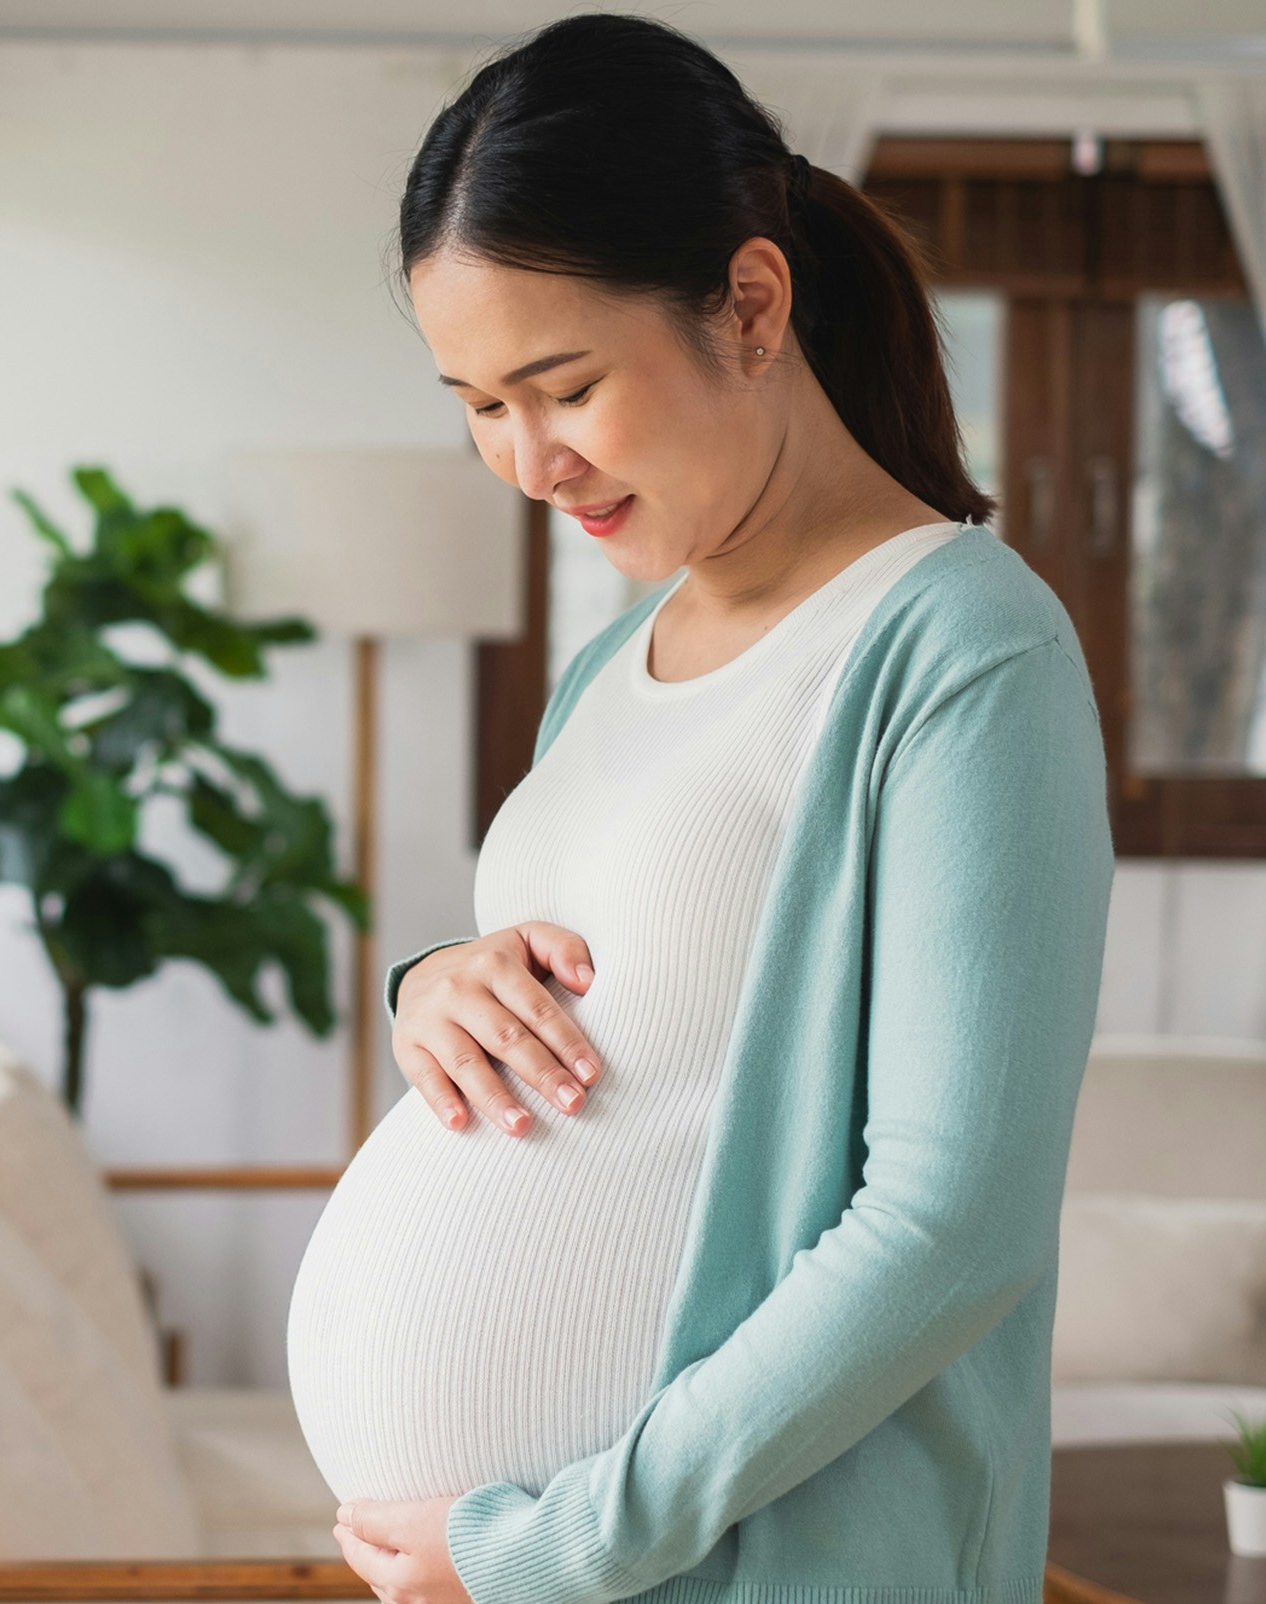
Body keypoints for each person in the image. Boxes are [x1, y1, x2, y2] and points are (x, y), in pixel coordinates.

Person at [285, 14, 1114, 1604]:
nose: (525, 460)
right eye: (475, 402)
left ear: (748, 302)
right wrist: (436, 986)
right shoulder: (609, 662)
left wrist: (559, 1543)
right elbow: (659, 1014)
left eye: (565, 384)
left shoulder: (959, 645)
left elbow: (953, 1224)